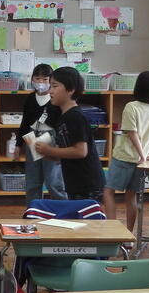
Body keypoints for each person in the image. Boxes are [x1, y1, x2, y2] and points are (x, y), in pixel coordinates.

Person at [102, 71, 149, 231]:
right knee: (131, 195)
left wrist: (143, 156)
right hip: (140, 162)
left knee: (108, 191)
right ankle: (129, 234)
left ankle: (112, 232)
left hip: (124, 157)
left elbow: (132, 133)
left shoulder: (132, 106)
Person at [35, 67, 105, 201]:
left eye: (54, 86)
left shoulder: (75, 116)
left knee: (84, 215)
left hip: (87, 185)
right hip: (75, 184)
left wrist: (50, 150)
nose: (50, 91)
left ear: (71, 89)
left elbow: (80, 151)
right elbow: (67, 151)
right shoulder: (63, 116)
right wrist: (50, 155)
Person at [16, 64, 66, 204]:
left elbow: (60, 125)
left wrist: (60, 146)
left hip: (51, 140)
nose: (41, 82)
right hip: (32, 138)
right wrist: (18, 144)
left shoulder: (55, 99)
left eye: (45, 79)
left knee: (53, 181)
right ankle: (34, 211)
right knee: (32, 181)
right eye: (37, 79)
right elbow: (25, 122)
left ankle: (63, 209)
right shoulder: (30, 98)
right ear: (32, 79)